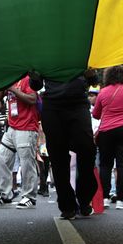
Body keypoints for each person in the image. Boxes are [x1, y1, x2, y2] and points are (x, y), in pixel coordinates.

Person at [34, 68, 98, 219]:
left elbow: (94, 81)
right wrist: (34, 77)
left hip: (78, 103)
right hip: (52, 106)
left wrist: (91, 75)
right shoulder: (43, 56)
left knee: (87, 150)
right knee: (57, 157)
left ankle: (85, 198)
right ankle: (67, 205)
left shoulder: (81, 53)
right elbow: (35, 85)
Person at [92, 66, 123, 210]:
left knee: (105, 165)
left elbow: (95, 114)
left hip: (106, 131)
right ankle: (121, 200)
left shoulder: (103, 92)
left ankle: (105, 198)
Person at [0, 75, 41, 208]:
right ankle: (5, 194)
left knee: (27, 163)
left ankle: (29, 197)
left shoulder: (26, 79)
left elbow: (32, 99)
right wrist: (4, 84)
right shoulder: (10, 79)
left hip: (27, 127)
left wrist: (13, 89)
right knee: (1, 158)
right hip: (12, 127)